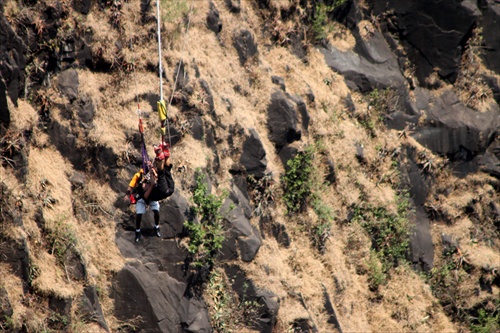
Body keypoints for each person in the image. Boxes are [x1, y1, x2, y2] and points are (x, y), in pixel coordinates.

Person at [124, 145, 175, 243]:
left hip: (153, 195)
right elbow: (134, 187)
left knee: (156, 211)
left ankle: (156, 227)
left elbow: (156, 177)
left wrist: (152, 172)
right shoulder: (139, 176)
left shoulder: (151, 171)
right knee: (139, 214)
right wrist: (127, 194)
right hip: (144, 197)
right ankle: (137, 231)